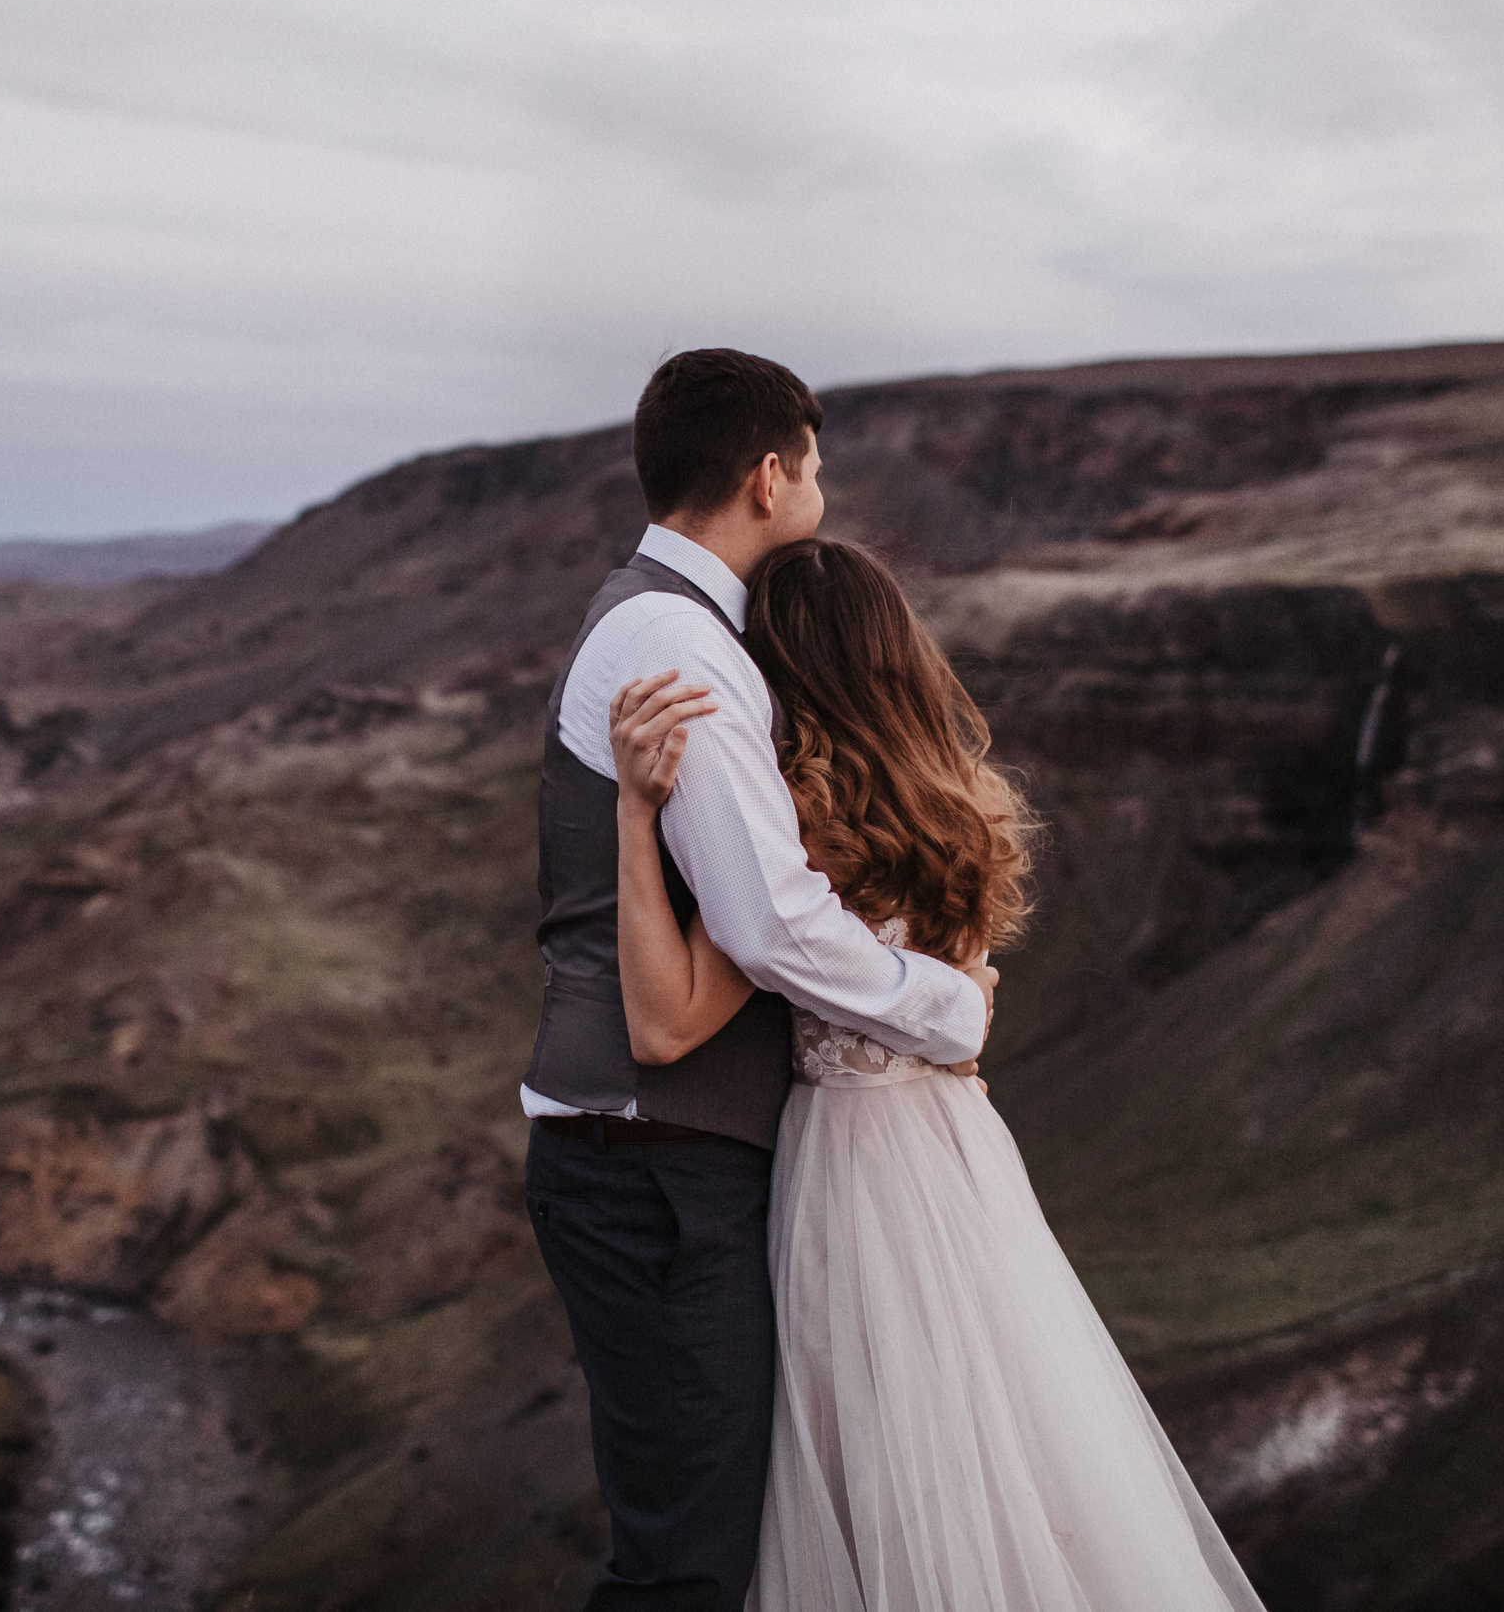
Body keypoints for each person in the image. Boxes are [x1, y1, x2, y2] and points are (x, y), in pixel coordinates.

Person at [607, 538, 1268, 1611]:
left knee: (876, 1442)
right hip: (958, 1141)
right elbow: (962, 1008)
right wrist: (955, 1025)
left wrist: (635, 816)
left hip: (851, 1157)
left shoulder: (798, 821)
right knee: (998, 1423)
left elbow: (667, 1018)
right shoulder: (953, 799)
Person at [519, 350, 1000, 1611]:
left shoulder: (675, 623)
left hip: (666, 1155)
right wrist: (946, 1006)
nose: (822, 494)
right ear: (769, 474)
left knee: (714, 1539)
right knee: (687, 1564)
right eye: (819, 469)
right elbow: (772, 921)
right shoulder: (676, 643)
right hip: (650, 1157)